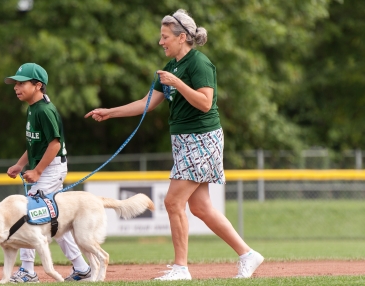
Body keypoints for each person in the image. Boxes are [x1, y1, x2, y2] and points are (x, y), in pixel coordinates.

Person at [84, 9, 264, 280]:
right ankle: (248, 255)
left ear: (182, 38)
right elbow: (147, 103)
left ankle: (181, 268)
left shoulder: (198, 64)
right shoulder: (169, 69)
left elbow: (205, 103)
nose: (161, 42)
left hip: (202, 139)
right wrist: (110, 111)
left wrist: (177, 83)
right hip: (183, 140)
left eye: (165, 37)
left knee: (172, 202)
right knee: (200, 207)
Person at [4, 63, 91, 283]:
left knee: (29, 212)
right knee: (55, 222)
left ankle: (27, 270)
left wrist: (38, 170)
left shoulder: (44, 110)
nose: (16, 87)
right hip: (45, 167)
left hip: (51, 168)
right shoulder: (33, 108)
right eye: (16, 83)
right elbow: (35, 145)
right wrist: (20, 165)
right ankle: (81, 267)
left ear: (38, 85)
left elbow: (54, 144)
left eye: (22, 82)